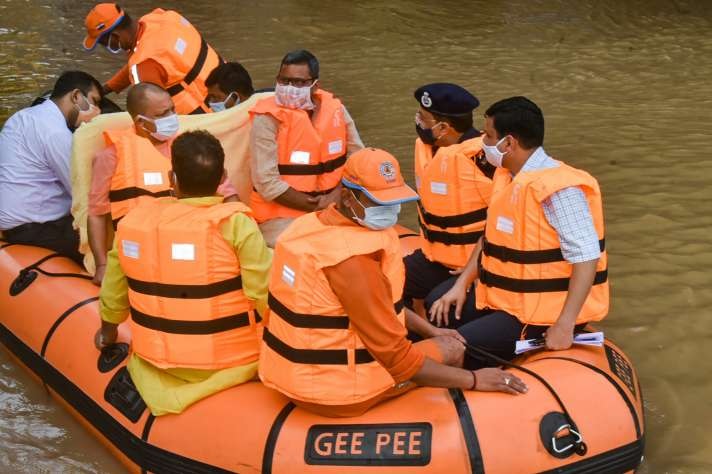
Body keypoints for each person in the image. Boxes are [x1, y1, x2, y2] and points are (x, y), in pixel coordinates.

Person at [259, 148, 526, 417]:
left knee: (436, 340)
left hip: (295, 374)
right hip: (339, 391)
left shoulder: (309, 227)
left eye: (393, 201)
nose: (389, 211)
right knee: (452, 348)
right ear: (348, 197)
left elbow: (374, 307)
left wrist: (430, 330)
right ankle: (447, 421)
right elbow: (398, 359)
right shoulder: (352, 261)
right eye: (378, 202)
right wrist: (476, 379)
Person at [95, 130, 272, 416]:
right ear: (223, 176)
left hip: (156, 364)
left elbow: (113, 294)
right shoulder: (236, 224)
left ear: (171, 179)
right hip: (235, 363)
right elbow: (263, 294)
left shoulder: (132, 223)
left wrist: (108, 333)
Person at [429, 97, 609, 368]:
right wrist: (462, 284)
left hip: (539, 313)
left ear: (509, 143)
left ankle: (471, 383)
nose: (483, 142)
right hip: (505, 296)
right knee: (436, 304)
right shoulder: (508, 176)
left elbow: (586, 256)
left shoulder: (559, 190)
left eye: (488, 136)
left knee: (452, 347)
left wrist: (564, 323)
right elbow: (490, 238)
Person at [88, 83, 238, 285]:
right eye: (163, 113)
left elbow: (228, 196)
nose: (172, 117)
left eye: (173, 109)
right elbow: (97, 214)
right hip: (140, 248)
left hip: (191, 242)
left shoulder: (189, 147)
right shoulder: (111, 156)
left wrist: (242, 233)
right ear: (141, 122)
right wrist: (102, 265)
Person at [249, 49, 364, 247]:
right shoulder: (266, 119)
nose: (290, 88)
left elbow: (358, 158)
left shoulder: (336, 110)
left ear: (314, 85)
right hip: (280, 218)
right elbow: (266, 183)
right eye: (284, 81)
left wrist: (337, 195)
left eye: (299, 82)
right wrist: (318, 206)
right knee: (316, 248)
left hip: (335, 205)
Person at [405, 83, 495, 329]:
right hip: (435, 257)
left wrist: (471, 274)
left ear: (443, 127)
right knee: (383, 283)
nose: (418, 122)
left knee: (439, 306)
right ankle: (404, 348)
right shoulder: (427, 149)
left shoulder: (484, 159)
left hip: (478, 265)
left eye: (423, 119)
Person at [0, 71, 101, 264]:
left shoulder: (24, 116)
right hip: (34, 228)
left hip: (13, 220)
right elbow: (81, 193)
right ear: (76, 96)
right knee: (110, 237)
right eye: (94, 102)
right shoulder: (56, 133)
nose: (96, 111)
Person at [82, 3, 222, 115]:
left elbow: (154, 114)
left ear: (115, 37)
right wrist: (104, 89)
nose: (106, 47)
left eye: (103, 43)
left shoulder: (143, 65)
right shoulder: (161, 17)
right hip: (228, 95)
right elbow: (146, 63)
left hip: (207, 118)